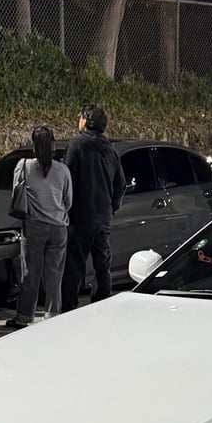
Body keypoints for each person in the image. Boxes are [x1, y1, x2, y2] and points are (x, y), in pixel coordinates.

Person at [4, 125, 72, 330]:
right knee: (54, 274)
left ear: (34, 145)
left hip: (33, 226)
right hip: (58, 227)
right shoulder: (63, 170)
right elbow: (68, 200)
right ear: (53, 144)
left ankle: (24, 317)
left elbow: (16, 194)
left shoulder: (23, 166)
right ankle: (52, 314)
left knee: (30, 273)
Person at [62, 105, 125, 311]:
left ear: (86, 121)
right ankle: (102, 303)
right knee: (102, 265)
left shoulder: (77, 145)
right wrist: (112, 206)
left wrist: (65, 208)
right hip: (102, 216)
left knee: (74, 265)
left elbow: (67, 179)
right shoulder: (110, 149)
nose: (78, 121)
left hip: (80, 215)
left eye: (80, 117)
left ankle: (69, 307)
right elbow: (120, 184)